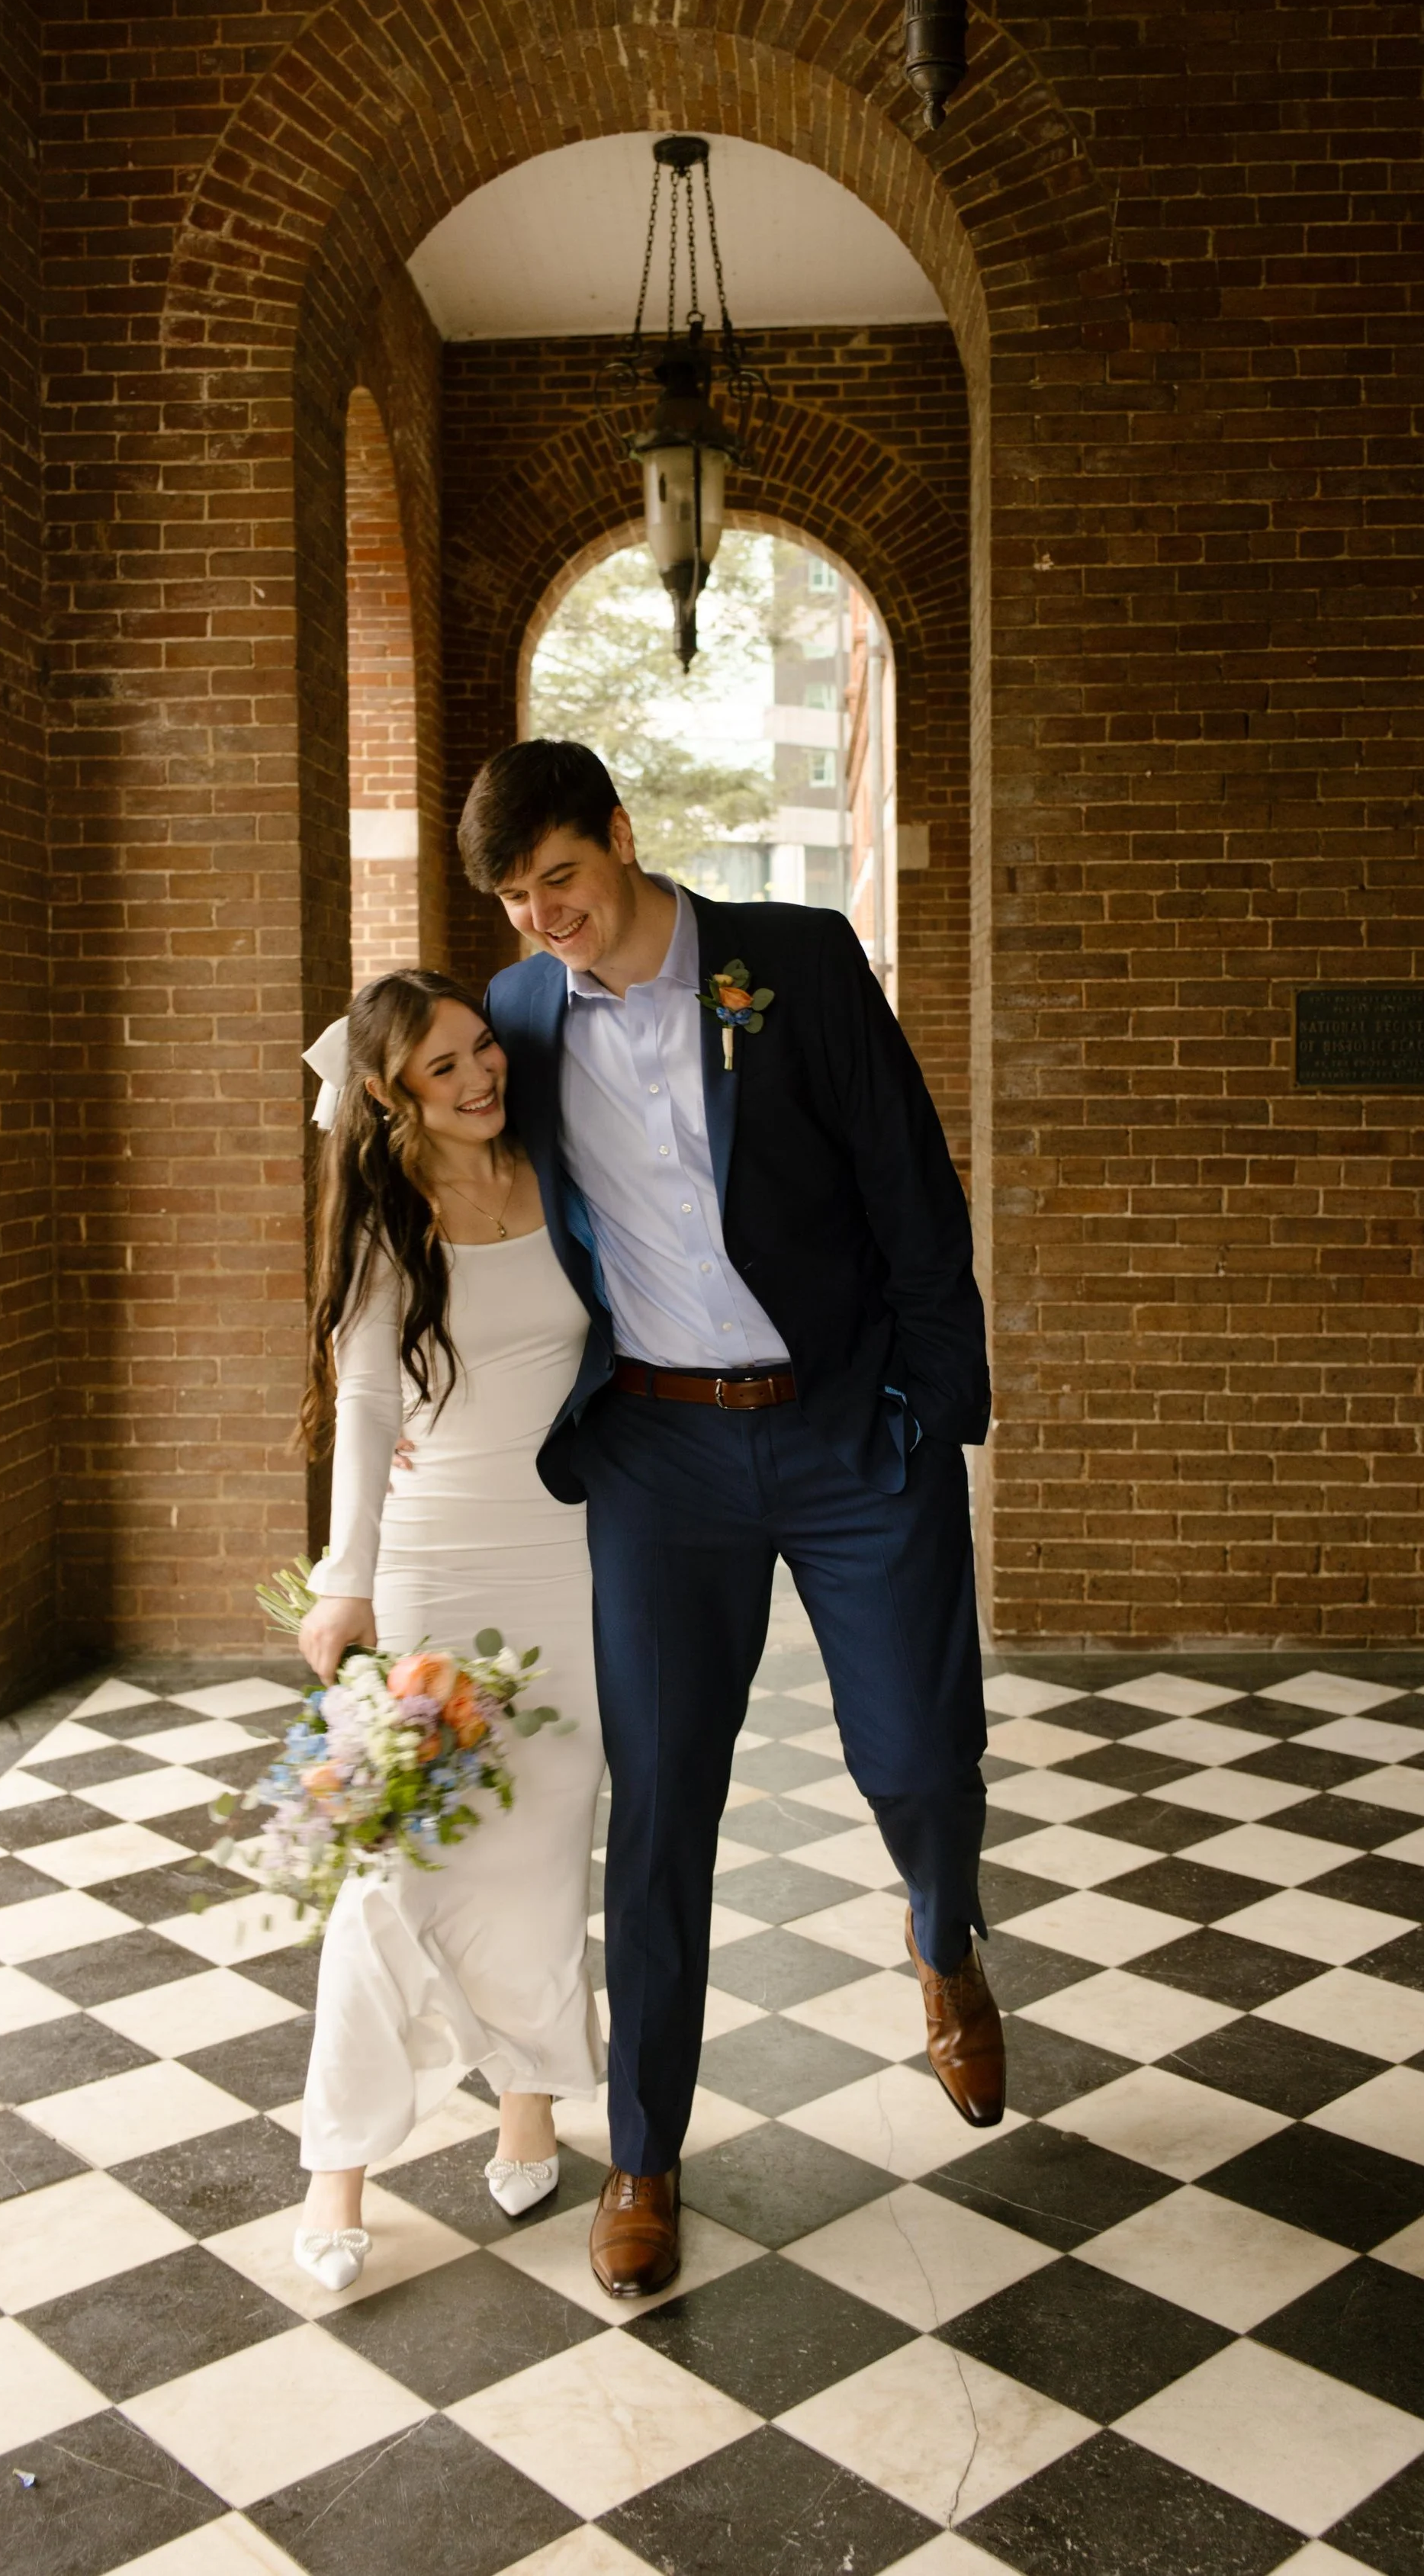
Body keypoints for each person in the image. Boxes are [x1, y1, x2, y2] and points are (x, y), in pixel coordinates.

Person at [464, 739, 1001, 2301]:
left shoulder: (797, 960)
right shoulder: (516, 1017)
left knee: (920, 1757)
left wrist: (931, 1408)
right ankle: (643, 2153)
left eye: (559, 877)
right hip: (659, 1455)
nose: (544, 917)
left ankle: (942, 1936)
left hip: (843, 1429)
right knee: (660, 1805)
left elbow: (911, 1187)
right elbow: (425, 1156)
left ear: (621, 838)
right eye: (514, 899)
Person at [287, 968, 604, 2294]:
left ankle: (529, 2099)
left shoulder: (559, 1167)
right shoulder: (387, 1217)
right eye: (444, 1068)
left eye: (482, 1048)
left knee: (542, 1855)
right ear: (388, 1095)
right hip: (432, 1565)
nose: (480, 1077)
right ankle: (338, 2161)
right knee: (394, 1873)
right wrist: (345, 1576)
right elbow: (367, 1399)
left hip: (571, 1561)